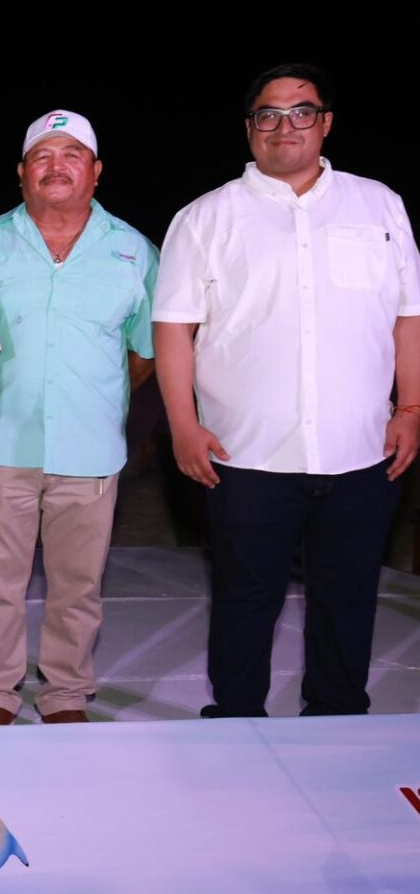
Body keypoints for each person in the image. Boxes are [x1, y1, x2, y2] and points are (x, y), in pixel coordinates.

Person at [154, 64, 420, 718]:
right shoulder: (206, 217)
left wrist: (412, 407)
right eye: (268, 115)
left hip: (360, 449)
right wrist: (183, 424)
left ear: (325, 122)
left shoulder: (378, 205)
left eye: (302, 111)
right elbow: (174, 328)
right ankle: (236, 723)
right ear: (250, 128)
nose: (285, 126)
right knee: (245, 598)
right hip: (245, 453)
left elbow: (407, 315)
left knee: (348, 596)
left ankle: (336, 721)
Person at [0, 110, 158, 725]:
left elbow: (146, 349)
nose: (57, 166)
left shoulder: (134, 251)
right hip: (1, 441)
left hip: (90, 447)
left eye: (72, 154)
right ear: (21, 173)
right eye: (42, 156)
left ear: (96, 171)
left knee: (79, 583)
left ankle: (66, 693)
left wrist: (97, 397)